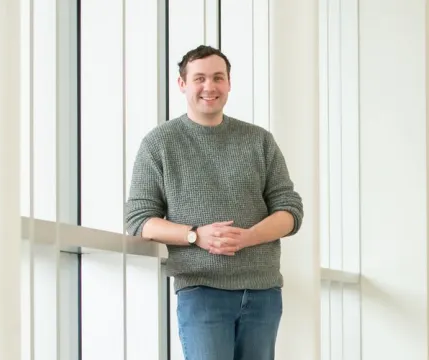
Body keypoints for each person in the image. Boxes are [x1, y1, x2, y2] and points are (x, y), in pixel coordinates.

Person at [124, 45, 302, 360]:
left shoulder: (259, 140)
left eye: (218, 78)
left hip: (262, 292)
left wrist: (249, 237)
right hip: (201, 291)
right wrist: (195, 235)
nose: (210, 87)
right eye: (200, 78)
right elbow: (139, 219)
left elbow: (290, 211)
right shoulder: (159, 143)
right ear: (182, 84)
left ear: (229, 84)